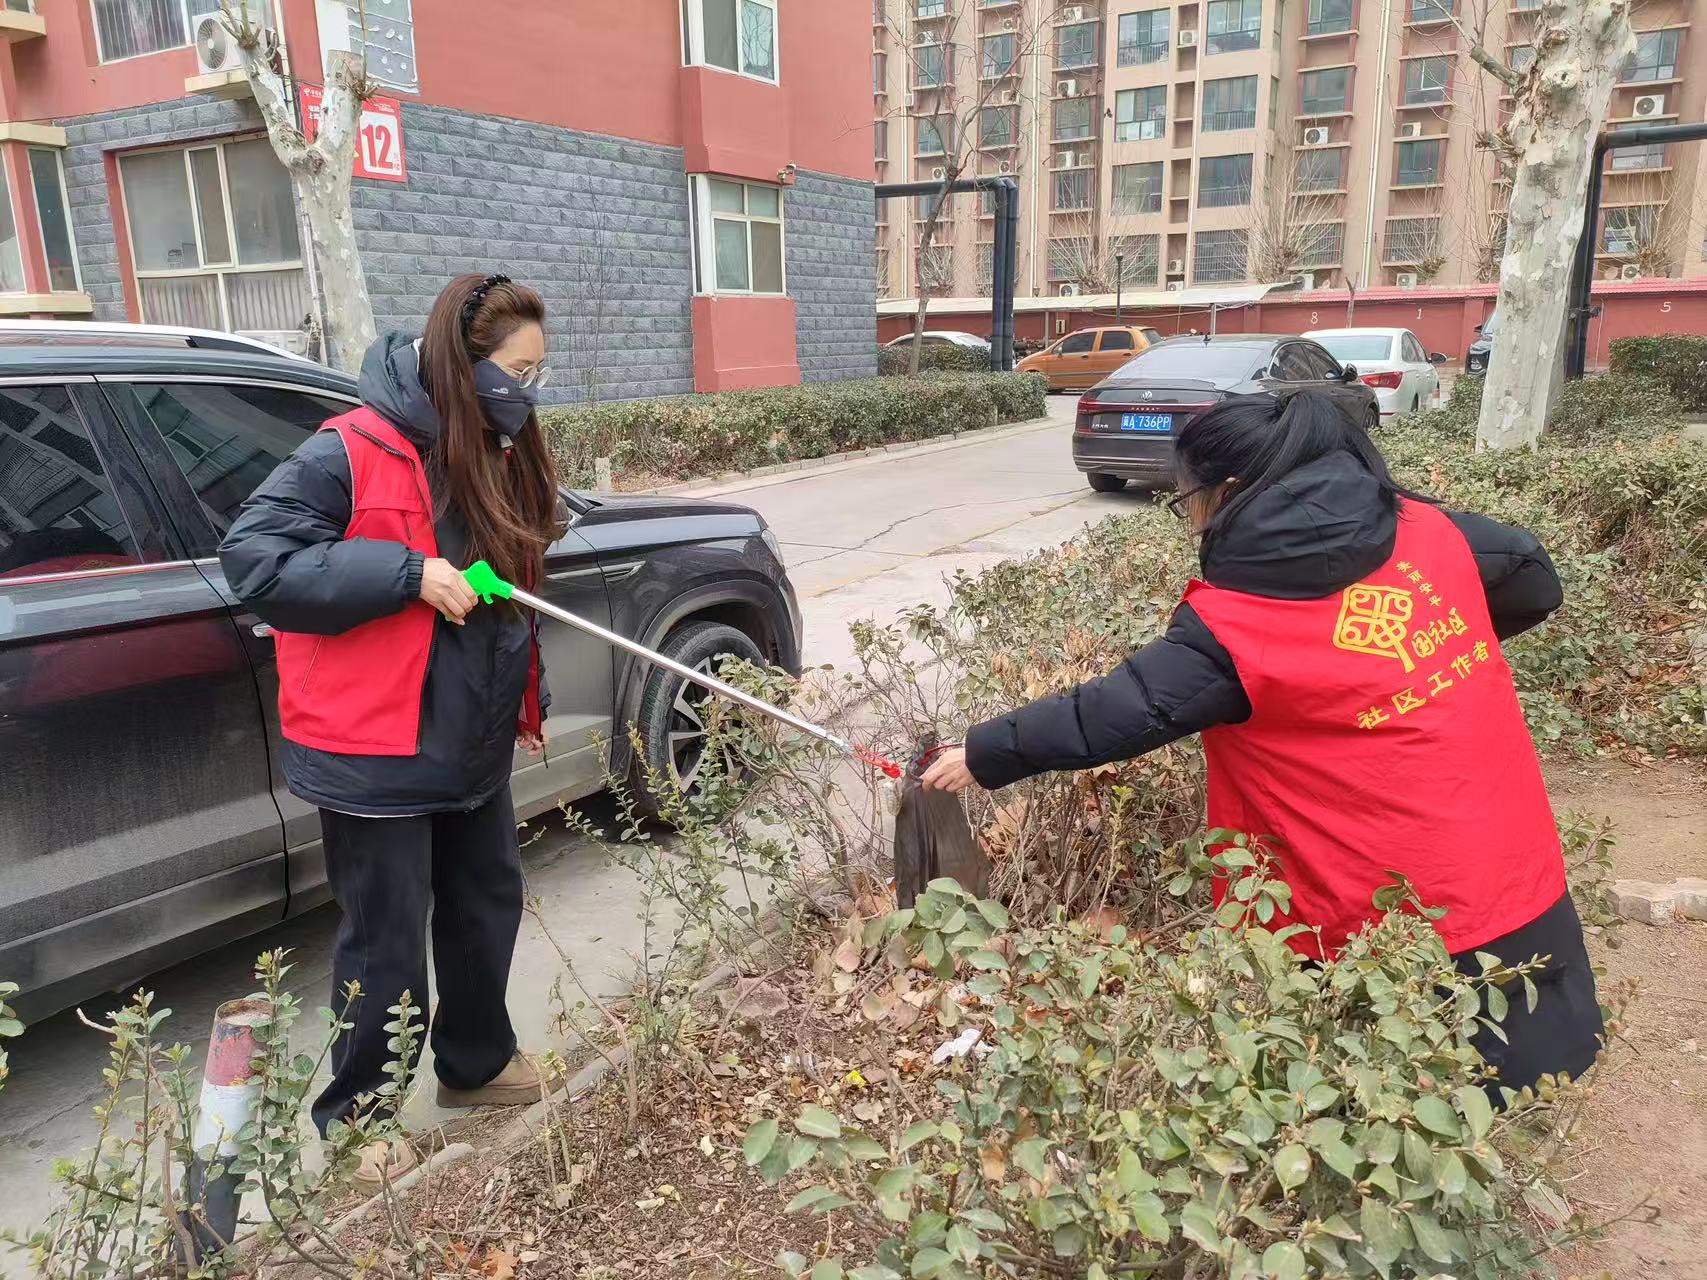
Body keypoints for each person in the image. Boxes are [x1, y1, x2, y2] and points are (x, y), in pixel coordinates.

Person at [920, 391, 1603, 1098]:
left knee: (1375, 1095)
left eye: (1185, 499)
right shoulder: (1428, 531)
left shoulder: (1242, 626)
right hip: (1505, 850)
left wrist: (982, 752)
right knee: (1507, 1079)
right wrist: (1417, 660)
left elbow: (1117, 711)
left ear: (1230, 491)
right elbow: (1532, 579)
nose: (1187, 518)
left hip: (1377, 897)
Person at [220, 274, 564, 1185]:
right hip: (374, 747)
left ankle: (474, 1065)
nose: (528, 393)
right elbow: (256, 560)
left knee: (484, 905)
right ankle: (358, 1119)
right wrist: (406, 574)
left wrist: (522, 703)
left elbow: (510, 594)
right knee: (386, 939)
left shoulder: (487, 444)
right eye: (517, 373)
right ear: (462, 365)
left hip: (469, 738)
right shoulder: (349, 449)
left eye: (537, 374)